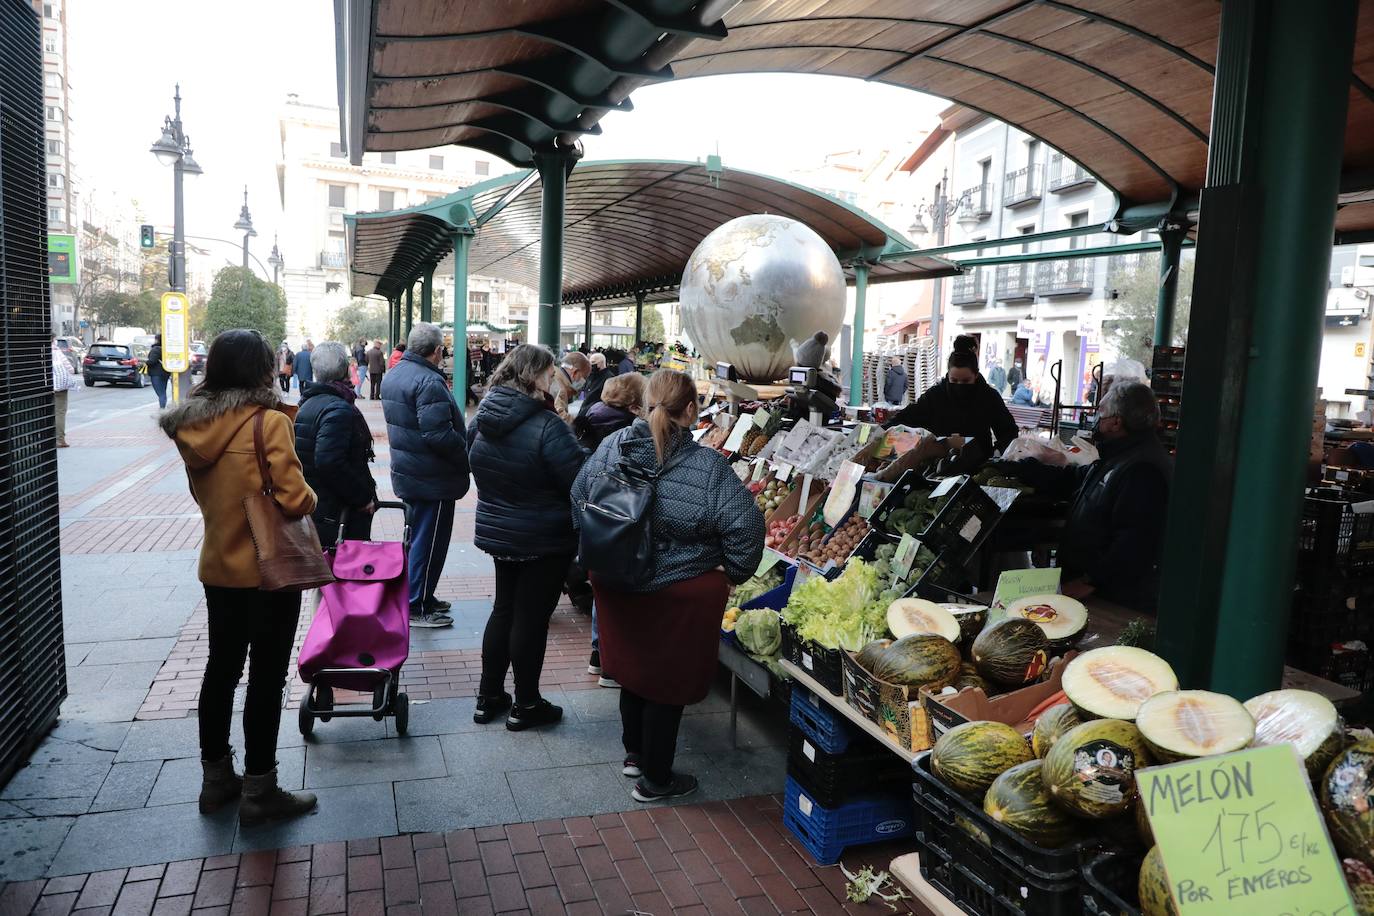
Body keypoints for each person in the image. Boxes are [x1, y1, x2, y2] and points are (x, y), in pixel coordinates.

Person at [572, 370, 764, 801]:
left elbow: (577, 499)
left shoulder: (609, 447)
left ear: (643, 405)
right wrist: (730, 572)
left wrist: (604, 553)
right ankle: (656, 779)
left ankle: (635, 756)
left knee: (633, 668)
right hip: (677, 591)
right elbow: (747, 529)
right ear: (691, 410)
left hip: (616, 584)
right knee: (666, 680)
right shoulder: (708, 466)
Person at [158, 329, 318, 826]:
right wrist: (312, 498)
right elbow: (294, 499)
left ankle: (215, 780)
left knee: (221, 672)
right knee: (267, 677)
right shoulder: (268, 422)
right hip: (269, 572)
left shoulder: (192, 427)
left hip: (218, 568)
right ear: (260, 369)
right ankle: (260, 787)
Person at [466, 344, 586, 730]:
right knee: (530, 619)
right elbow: (578, 480)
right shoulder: (546, 425)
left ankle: (488, 697)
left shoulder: (484, 416)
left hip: (501, 530)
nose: (554, 379)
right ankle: (527, 704)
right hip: (542, 536)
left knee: (505, 610)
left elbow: (476, 461)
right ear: (535, 376)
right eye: (550, 372)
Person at [1002, 382, 1172, 612]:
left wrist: (1090, 580)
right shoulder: (1119, 456)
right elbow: (1076, 479)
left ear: (1116, 421)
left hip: (1113, 598)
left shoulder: (1142, 469)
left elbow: (1135, 540)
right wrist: (1025, 469)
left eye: (1100, 414)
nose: (1095, 421)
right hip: (1095, 588)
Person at [381, 323, 470, 628]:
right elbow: (438, 434)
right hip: (433, 477)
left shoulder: (395, 374)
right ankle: (417, 604)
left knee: (416, 540)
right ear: (436, 351)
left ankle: (420, 595)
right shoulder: (428, 381)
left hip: (410, 473)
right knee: (428, 543)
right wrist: (465, 451)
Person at [571, 372, 647, 687]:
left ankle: (598, 656)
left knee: (603, 592)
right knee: (619, 594)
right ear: (634, 402)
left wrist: (584, 528)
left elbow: (580, 484)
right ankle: (612, 665)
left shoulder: (590, 415)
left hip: (598, 521)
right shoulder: (625, 431)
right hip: (621, 521)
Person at [295, 341, 376, 549]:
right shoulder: (338, 408)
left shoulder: (309, 403)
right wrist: (362, 498)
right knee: (345, 575)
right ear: (345, 370)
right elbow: (329, 462)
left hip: (322, 507)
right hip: (338, 512)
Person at [884, 335, 1019, 456]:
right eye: (954, 380)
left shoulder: (989, 397)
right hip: (937, 463)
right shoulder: (934, 395)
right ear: (948, 374)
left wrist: (998, 451)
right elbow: (907, 417)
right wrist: (882, 431)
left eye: (966, 381)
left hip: (979, 464)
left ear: (976, 375)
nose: (959, 385)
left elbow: (1008, 431)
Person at [51, 335, 77, 447]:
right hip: (59, 387)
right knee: (60, 412)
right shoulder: (56, 352)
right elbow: (70, 368)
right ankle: (59, 439)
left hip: (41, 387)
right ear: (53, 340)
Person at [552, 350, 591, 426]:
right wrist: (577, 424)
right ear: (575, 372)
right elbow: (560, 417)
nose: (583, 382)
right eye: (584, 377)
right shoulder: (559, 388)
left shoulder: (557, 379)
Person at [147, 334, 171, 409]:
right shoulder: (166, 349)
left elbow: (152, 361)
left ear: (157, 340)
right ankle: (162, 408)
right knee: (163, 392)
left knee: (161, 394)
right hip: (165, 373)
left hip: (156, 374)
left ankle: (162, 409)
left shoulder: (156, 349)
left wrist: (145, 362)